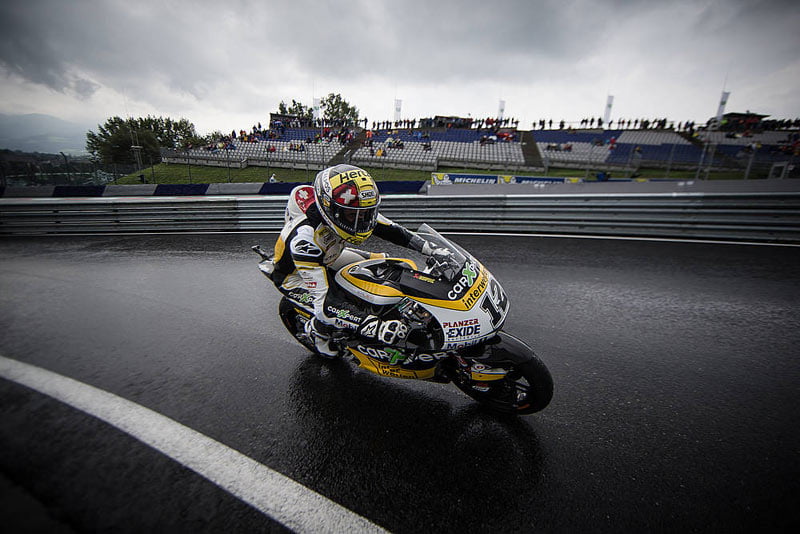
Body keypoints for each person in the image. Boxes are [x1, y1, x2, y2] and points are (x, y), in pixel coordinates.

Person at [260, 164, 447, 357]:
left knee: (388, 262)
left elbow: (393, 230)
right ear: (330, 210)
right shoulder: (305, 239)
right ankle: (317, 332)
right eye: (352, 215)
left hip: (329, 254)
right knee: (330, 307)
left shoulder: (354, 207)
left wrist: (431, 249)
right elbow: (325, 304)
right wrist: (373, 326)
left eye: (366, 214)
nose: (362, 222)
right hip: (295, 276)